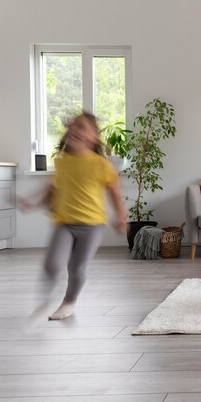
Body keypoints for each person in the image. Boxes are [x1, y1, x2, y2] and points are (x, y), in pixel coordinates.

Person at [19, 112, 127, 320]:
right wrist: (33, 203)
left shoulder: (101, 164)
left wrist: (121, 217)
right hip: (65, 224)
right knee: (52, 263)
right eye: (73, 127)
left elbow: (114, 192)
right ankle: (45, 298)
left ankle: (69, 302)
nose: (75, 130)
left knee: (76, 266)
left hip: (93, 225)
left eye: (82, 127)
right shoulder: (63, 162)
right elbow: (52, 189)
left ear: (94, 137)